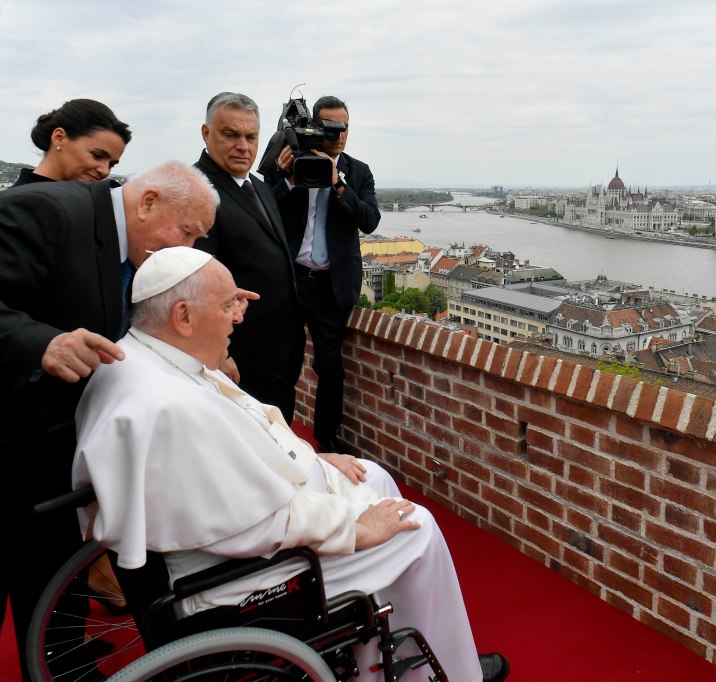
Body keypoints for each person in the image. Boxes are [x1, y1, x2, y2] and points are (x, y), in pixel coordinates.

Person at [72, 247, 510, 682]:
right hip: (231, 575)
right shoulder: (172, 405)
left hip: (220, 540)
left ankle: (379, 659)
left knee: (370, 474)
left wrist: (313, 460)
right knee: (418, 527)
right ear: (183, 317)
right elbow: (256, 522)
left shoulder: (138, 358)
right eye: (228, 306)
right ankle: (453, 674)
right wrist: (354, 530)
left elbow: (230, 464)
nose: (238, 318)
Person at [0, 162, 219, 666]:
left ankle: (64, 660)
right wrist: (42, 343)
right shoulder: (45, 211)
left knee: (55, 569)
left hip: (59, 442)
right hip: (12, 437)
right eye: (186, 232)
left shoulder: (133, 246)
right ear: (148, 203)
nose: (187, 250)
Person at [272, 95, 381, 452]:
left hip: (332, 284)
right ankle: (278, 436)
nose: (338, 135)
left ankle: (326, 441)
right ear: (313, 128)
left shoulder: (358, 171)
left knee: (330, 368)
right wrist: (287, 178)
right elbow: (264, 208)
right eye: (330, 127)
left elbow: (369, 221)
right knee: (283, 362)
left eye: (344, 127)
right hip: (292, 280)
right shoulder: (288, 160)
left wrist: (338, 184)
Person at [194, 92, 305, 422]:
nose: (243, 145)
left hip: (279, 350)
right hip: (238, 354)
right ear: (206, 133)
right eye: (230, 134)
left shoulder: (258, 185)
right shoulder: (197, 191)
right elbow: (196, 280)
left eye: (250, 136)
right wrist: (219, 352)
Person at [14, 98, 132, 187]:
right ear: (59, 138)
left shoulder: (95, 201)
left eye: (111, 164)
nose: (105, 171)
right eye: (97, 156)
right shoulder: (12, 207)